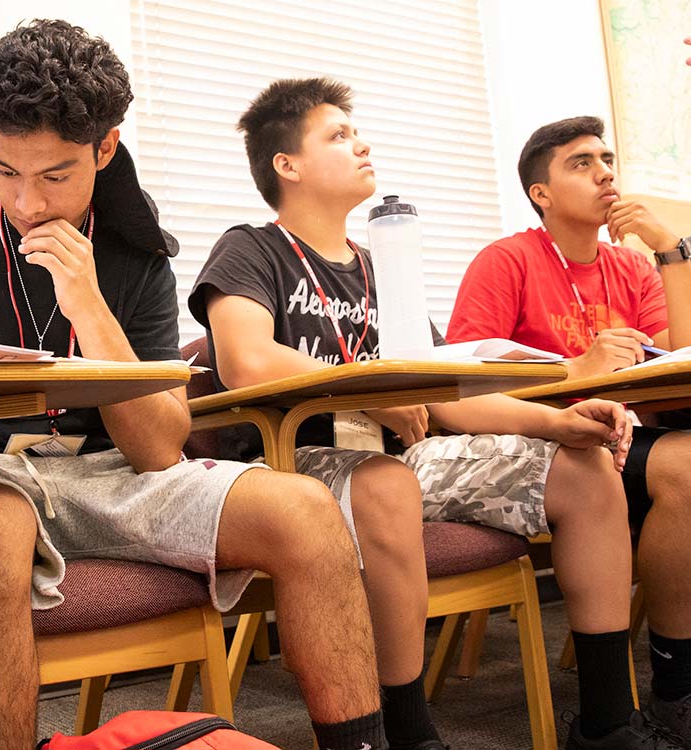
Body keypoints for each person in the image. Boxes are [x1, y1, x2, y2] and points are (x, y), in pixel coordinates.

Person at [0, 21, 391, 750]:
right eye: (4, 171)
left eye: (54, 175)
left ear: (104, 148)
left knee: (304, 509)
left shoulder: (134, 252)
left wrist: (87, 303)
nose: (25, 202)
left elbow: (156, 450)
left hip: (108, 476)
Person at [191, 78, 674, 750]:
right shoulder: (251, 248)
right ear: (286, 165)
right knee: (386, 484)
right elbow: (244, 360)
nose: (361, 143)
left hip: (395, 460)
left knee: (582, 466)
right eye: (337, 135)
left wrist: (555, 421)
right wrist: (364, 388)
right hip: (284, 463)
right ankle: (409, 733)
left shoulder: (377, 266)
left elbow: (449, 393)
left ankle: (606, 722)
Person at [448, 115, 691, 742]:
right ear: (542, 193)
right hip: (546, 447)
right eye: (581, 163)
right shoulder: (507, 260)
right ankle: (677, 690)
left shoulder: (632, 270)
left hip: (631, 437)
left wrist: (670, 251)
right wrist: (573, 371)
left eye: (606, 159)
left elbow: (681, 360)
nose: (605, 172)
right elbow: (461, 383)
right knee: (686, 467)